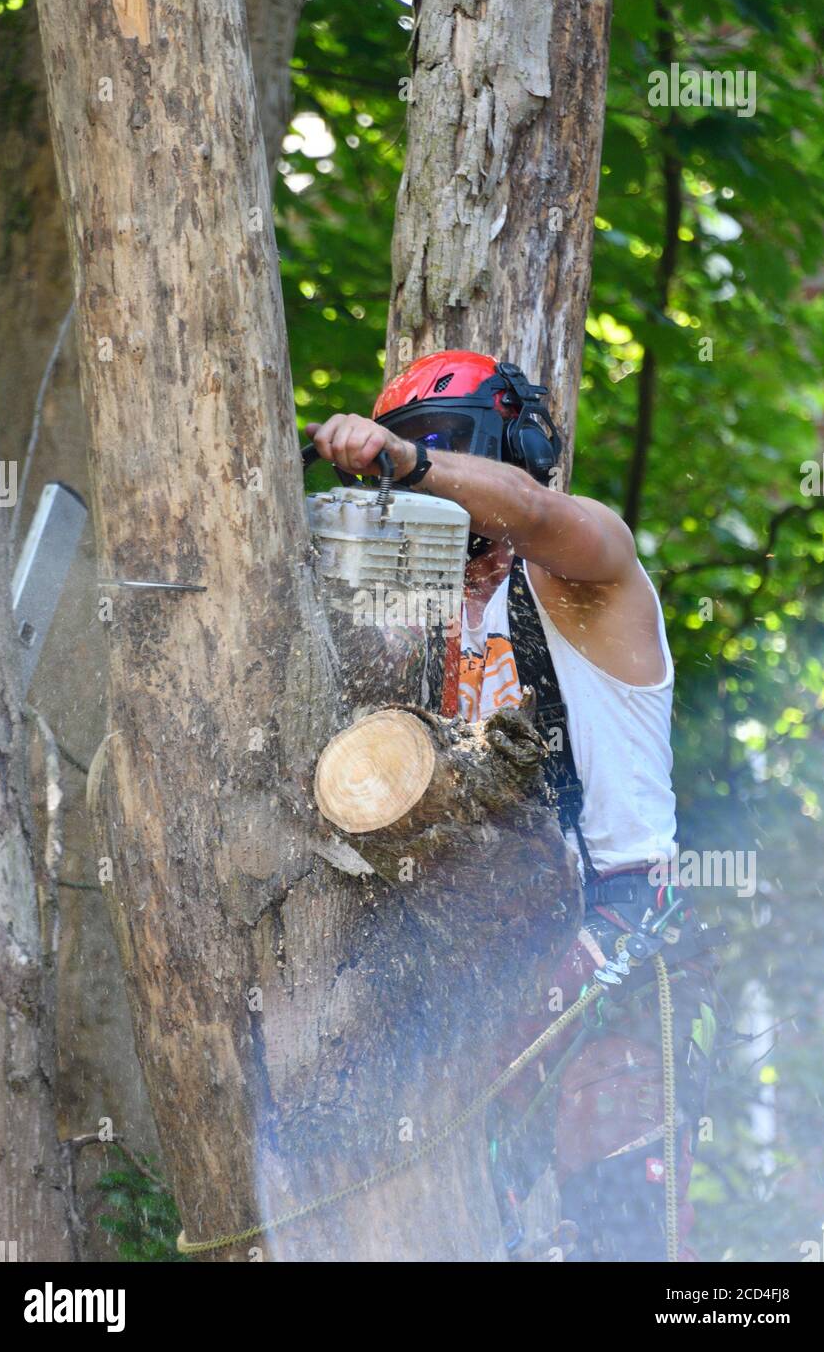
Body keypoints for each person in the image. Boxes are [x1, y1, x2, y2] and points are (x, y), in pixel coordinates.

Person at [306, 350, 722, 1262]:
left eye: (438, 447)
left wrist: (401, 465)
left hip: (617, 922)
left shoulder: (586, 567)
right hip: (479, 944)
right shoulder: (417, 608)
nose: (412, 466)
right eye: (404, 446)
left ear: (503, 447)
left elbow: (529, 514)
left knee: (616, 1224)